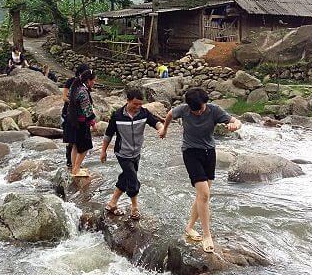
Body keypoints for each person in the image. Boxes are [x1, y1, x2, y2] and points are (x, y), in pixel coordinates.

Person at [159, 87, 242, 253]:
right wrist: (164, 129)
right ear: (188, 106)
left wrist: (235, 126)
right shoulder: (183, 109)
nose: (198, 112)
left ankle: (189, 227)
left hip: (209, 153)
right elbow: (169, 114)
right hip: (190, 152)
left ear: (205, 103)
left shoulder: (214, 110)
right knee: (204, 194)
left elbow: (237, 121)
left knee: (202, 196)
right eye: (194, 110)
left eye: (201, 109)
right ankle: (206, 235)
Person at [100, 89, 163, 220]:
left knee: (125, 177)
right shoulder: (117, 116)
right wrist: (103, 151)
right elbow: (108, 134)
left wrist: (161, 129)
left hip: (136, 152)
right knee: (133, 180)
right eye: (135, 104)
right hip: (122, 153)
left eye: (140, 104)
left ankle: (112, 203)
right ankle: (135, 207)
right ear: (128, 101)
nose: (138, 107)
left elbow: (155, 122)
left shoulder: (143, 113)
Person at [66, 69, 97, 177]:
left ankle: (74, 168)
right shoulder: (83, 91)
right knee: (85, 147)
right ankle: (76, 169)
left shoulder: (74, 88)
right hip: (81, 123)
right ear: (89, 80)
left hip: (72, 122)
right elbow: (87, 109)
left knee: (75, 146)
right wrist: (93, 123)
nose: (94, 83)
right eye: (94, 80)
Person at [61, 63, 90, 169]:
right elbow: (64, 97)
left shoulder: (85, 85)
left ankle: (76, 164)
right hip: (69, 113)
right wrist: (75, 103)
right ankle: (70, 162)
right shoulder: (71, 82)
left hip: (80, 115)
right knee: (71, 140)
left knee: (79, 141)